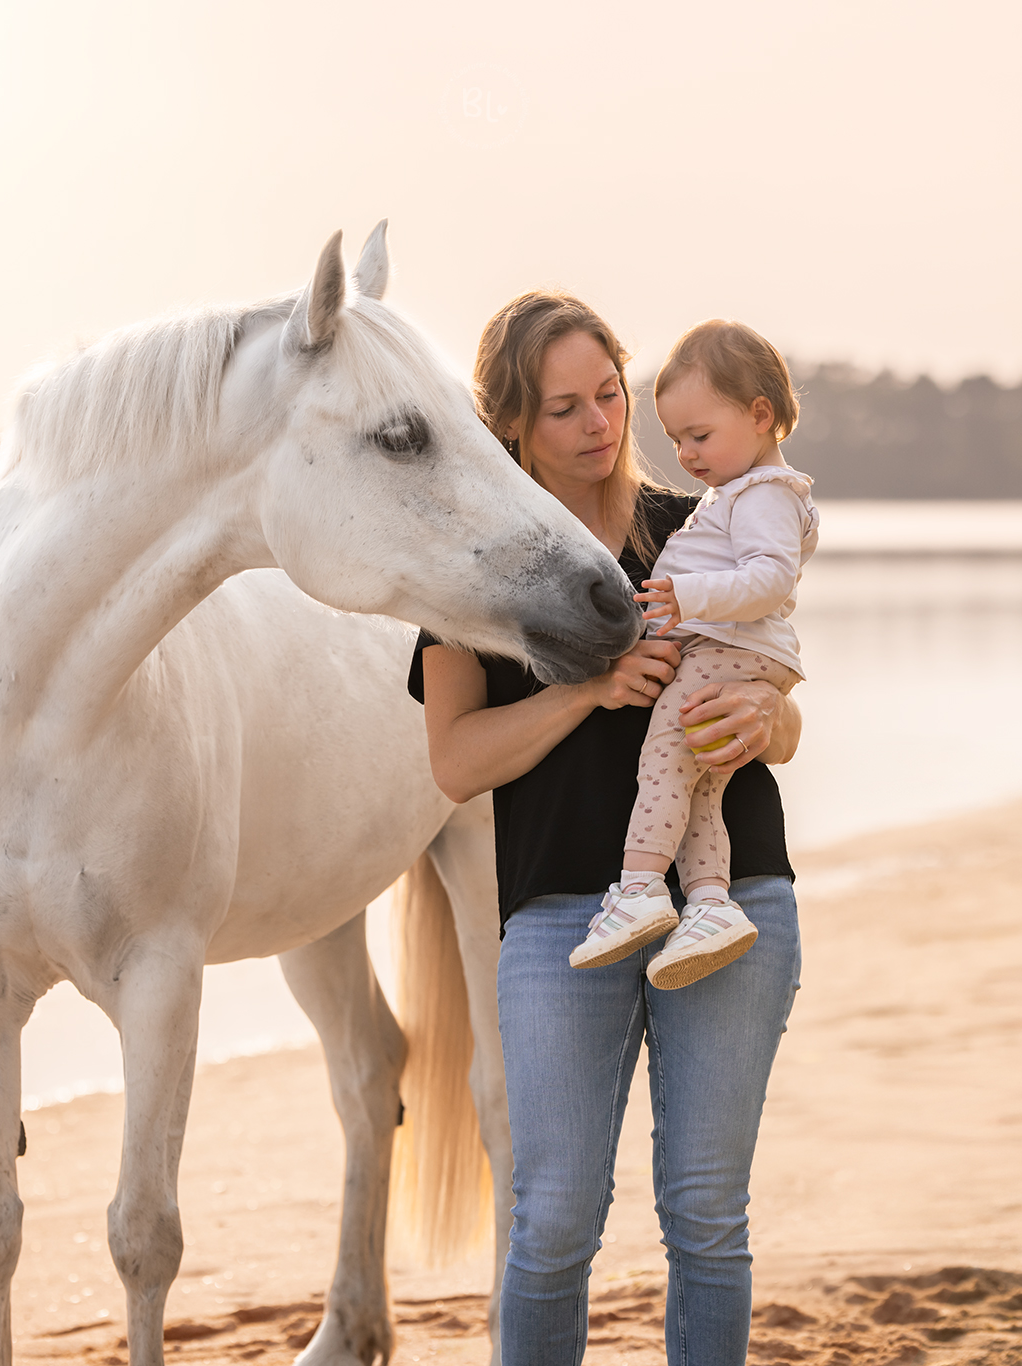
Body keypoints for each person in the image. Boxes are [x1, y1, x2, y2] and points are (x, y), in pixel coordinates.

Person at [408, 291, 803, 1365]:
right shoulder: (471, 572)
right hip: (554, 922)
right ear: (512, 428)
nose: (597, 424)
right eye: (561, 408)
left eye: (609, 393)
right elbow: (455, 762)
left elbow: (787, 720)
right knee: (550, 1225)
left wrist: (767, 717)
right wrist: (589, 688)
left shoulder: (706, 522)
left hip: (727, 902)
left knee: (705, 1220)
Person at [572, 321, 818, 990]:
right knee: (699, 784)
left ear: (760, 415)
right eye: (677, 439)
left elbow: (771, 578)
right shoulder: (739, 492)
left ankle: (642, 887)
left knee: (662, 761)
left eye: (699, 436)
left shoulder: (764, 494)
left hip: (727, 652)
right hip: (731, 651)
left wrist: (687, 599)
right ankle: (710, 903)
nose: (684, 454)